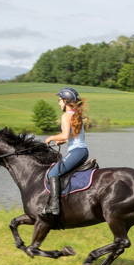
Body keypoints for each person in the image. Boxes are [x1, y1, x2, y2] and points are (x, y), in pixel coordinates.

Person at [40, 87, 89, 216]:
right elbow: (74, 137)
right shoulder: (76, 115)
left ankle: (55, 206)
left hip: (77, 151)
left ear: (66, 101)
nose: (58, 103)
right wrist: (62, 141)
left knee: (52, 173)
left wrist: (51, 138)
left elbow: (65, 135)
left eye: (59, 100)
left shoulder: (66, 115)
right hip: (82, 151)